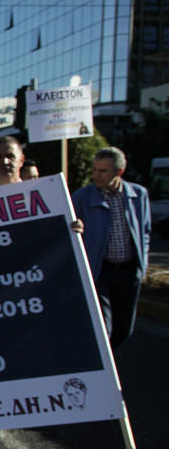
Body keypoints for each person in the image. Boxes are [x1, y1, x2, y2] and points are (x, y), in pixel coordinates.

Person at [71, 147, 150, 349]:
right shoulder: (82, 197)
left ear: (119, 172)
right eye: (95, 169)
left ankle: (110, 362)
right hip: (101, 271)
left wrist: (143, 264)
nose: (96, 175)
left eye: (103, 171)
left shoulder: (138, 195)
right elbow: (70, 228)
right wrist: (75, 227)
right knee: (103, 328)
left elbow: (145, 231)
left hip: (129, 271)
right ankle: (103, 372)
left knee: (124, 329)